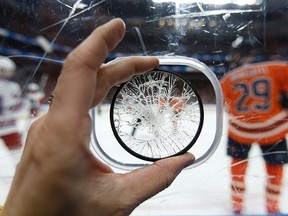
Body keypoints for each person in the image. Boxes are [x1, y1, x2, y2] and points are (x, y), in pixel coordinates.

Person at [0, 19, 195, 215]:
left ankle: (21, 171)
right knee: (16, 151)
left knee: (18, 152)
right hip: (8, 128)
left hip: (8, 131)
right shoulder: (12, 87)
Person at [220, 60, 288, 214]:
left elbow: (224, 103)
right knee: (275, 168)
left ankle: (237, 207)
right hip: (273, 128)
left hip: (241, 130)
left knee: (237, 167)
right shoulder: (276, 67)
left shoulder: (229, 77)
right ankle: (272, 207)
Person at [0, 56, 23, 149]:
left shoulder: (14, 86)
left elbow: (19, 104)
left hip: (9, 125)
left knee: (15, 151)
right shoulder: (14, 86)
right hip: (8, 124)